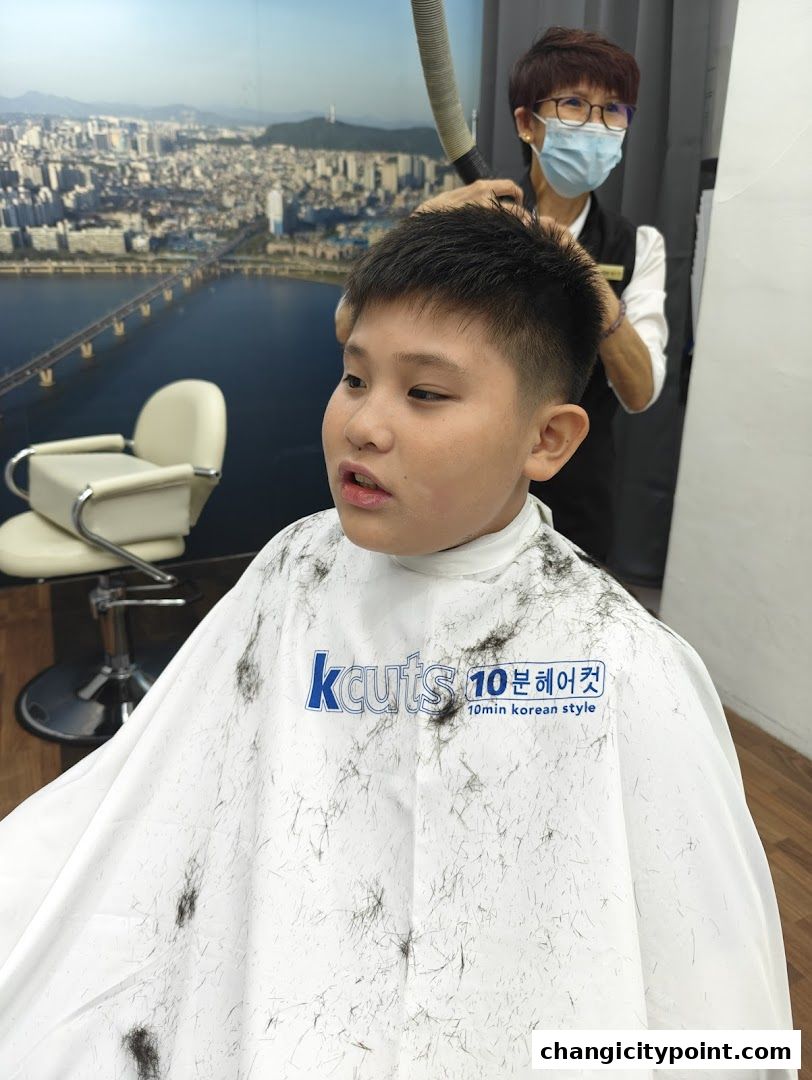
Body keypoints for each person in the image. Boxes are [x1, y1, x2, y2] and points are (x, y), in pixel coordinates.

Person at [0, 207, 793, 1079]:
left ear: (547, 439)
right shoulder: (296, 568)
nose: (364, 425)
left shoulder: (621, 661)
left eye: (425, 393)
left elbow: (715, 1006)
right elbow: (143, 812)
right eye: (353, 378)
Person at [340, 27, 668, 564]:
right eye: (574, 104)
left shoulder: (639, 246)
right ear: (526, 123)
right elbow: (348, 326)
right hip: (455, 494)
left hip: (576, 494)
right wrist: (419, 226)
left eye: (613, 111)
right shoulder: (476, 214)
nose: (595, 125)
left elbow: (640, 390)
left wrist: (586, 276)